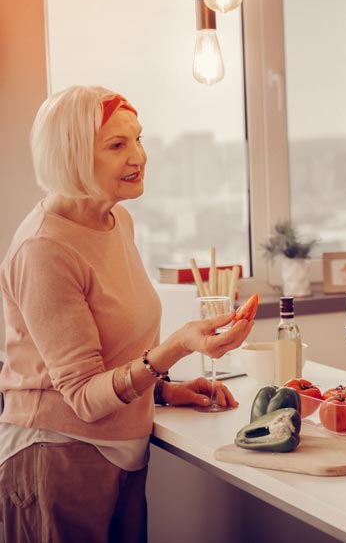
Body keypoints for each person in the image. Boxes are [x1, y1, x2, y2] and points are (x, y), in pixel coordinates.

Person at [0, 86, 254, 543]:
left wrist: (163, 390)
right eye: (117, 145)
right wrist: (176, 346)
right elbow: (81, 395)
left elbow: (113, 353)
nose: (139, 155)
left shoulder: (117, 222)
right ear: (72, 156)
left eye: (137, 139)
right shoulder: (44, 248)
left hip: (121, 452)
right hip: (58, 456)